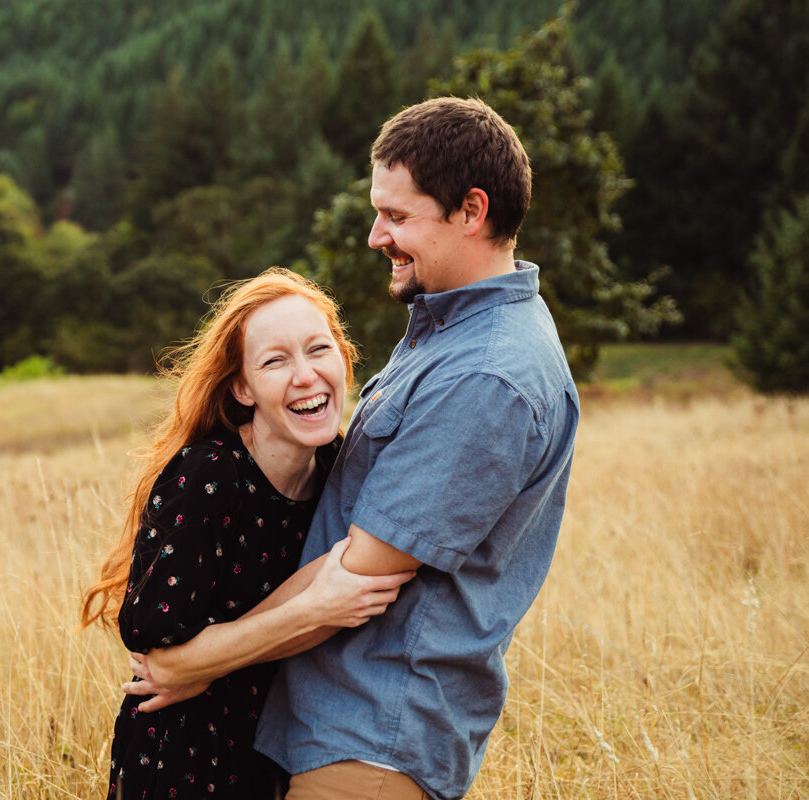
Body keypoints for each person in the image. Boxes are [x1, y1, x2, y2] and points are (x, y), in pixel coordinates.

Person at [246, 97, 580, 799]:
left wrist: (199, 658)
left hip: (372, 743)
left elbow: (356, 577)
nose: (375, 236)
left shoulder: (488, 375)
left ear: (471, 211)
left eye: (397, 217)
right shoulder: (451, 331)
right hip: (338, 729)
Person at [80, 268, 414, 800]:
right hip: (184, 759)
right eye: (275, 361)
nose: (305, 376)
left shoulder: (340, 466)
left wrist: (205, 667)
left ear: (344, 361)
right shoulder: (207, 477)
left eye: (318, 350)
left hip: (286, 747)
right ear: (242, 387)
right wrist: (312, 610)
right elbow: (159, 655)